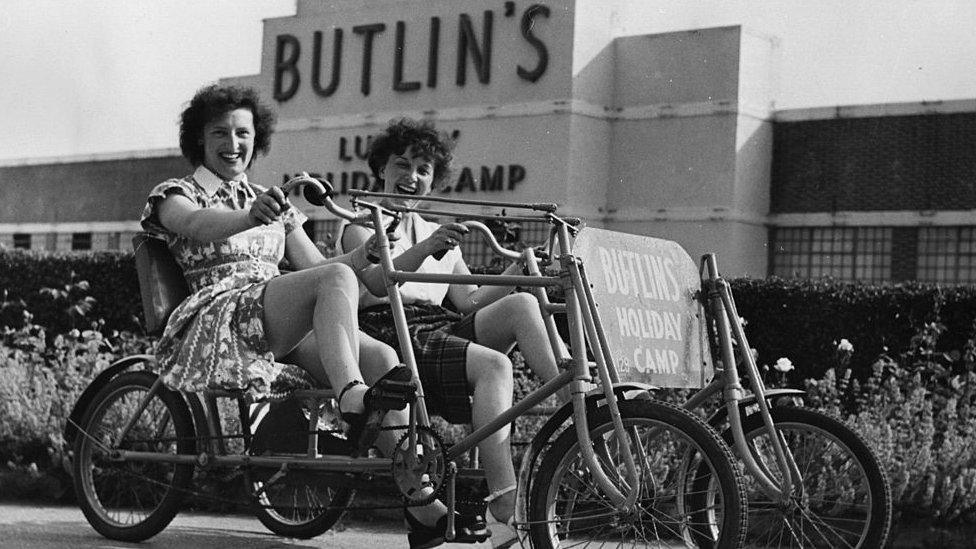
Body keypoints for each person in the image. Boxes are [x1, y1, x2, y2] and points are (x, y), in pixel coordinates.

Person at [341, 118, 568, 549]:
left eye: (423, 169)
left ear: (434, 179)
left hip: (435, 328)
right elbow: (373, 283)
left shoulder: (435, 231)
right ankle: (503, 495)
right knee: (495, 365)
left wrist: (520, 265)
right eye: (402, 165)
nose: (411, 177)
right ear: (381, 170)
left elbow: (469, 302)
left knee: (519, 303)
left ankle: (570, 390)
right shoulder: (363, 224)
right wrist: (427, 249)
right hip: (391, 329)